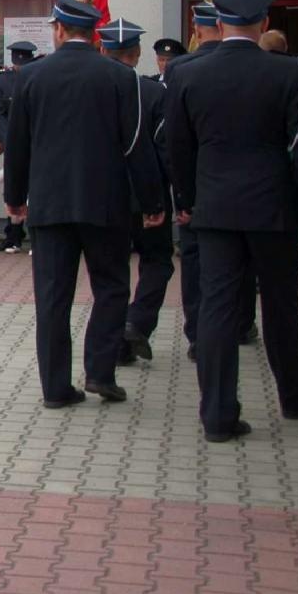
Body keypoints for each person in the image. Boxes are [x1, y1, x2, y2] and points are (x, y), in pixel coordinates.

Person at [165, 0, 298, 443]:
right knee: (280, 305)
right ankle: (295, 396)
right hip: (273, 209)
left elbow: (178, 146)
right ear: (263, 25)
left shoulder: (185, 71)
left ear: (217, 24)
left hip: (214, 208)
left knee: (218, 309)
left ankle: (218, 415)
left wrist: (187, 201)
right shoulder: (288, 71)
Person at [4, 0, 164, 409]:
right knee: (111, 288)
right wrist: (151, 201)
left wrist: (15, 199)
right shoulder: (119, 76)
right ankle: (100, 371)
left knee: (53, 297)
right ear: (93, 33)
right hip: (105, 204)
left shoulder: (31, 76)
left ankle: (55, 389)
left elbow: (18, 144)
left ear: (58, 30)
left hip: (50, 205)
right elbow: (135, 145)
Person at [164, 3, 257, 359]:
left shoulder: (181, 70)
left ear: (200, 27)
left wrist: (182, 197)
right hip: (250, 190)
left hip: (200, 188)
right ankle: (241, 323)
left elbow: (175, 139)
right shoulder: (263, 66)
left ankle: (198, 332)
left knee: (196, 261)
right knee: (243, 260)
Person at [96, 19, 175, 365]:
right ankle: (136, 322)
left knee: (113, 273)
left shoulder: (91, 92)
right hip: (148, 195)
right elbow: (165, 150)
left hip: (105, 196)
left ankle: (116, 341)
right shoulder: (156, 93)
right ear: (139, 53)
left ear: (102, 50)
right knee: (157, 262)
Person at [0, 41, 35, 254]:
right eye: (17, 65)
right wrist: (10, 140)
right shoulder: (3, 79)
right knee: (12, 188)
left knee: (34, 191)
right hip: (13, 143)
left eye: (23, 65)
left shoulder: (38, 78)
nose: (19, 69)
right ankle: (13, 237)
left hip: (35, 144)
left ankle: (35, 237)